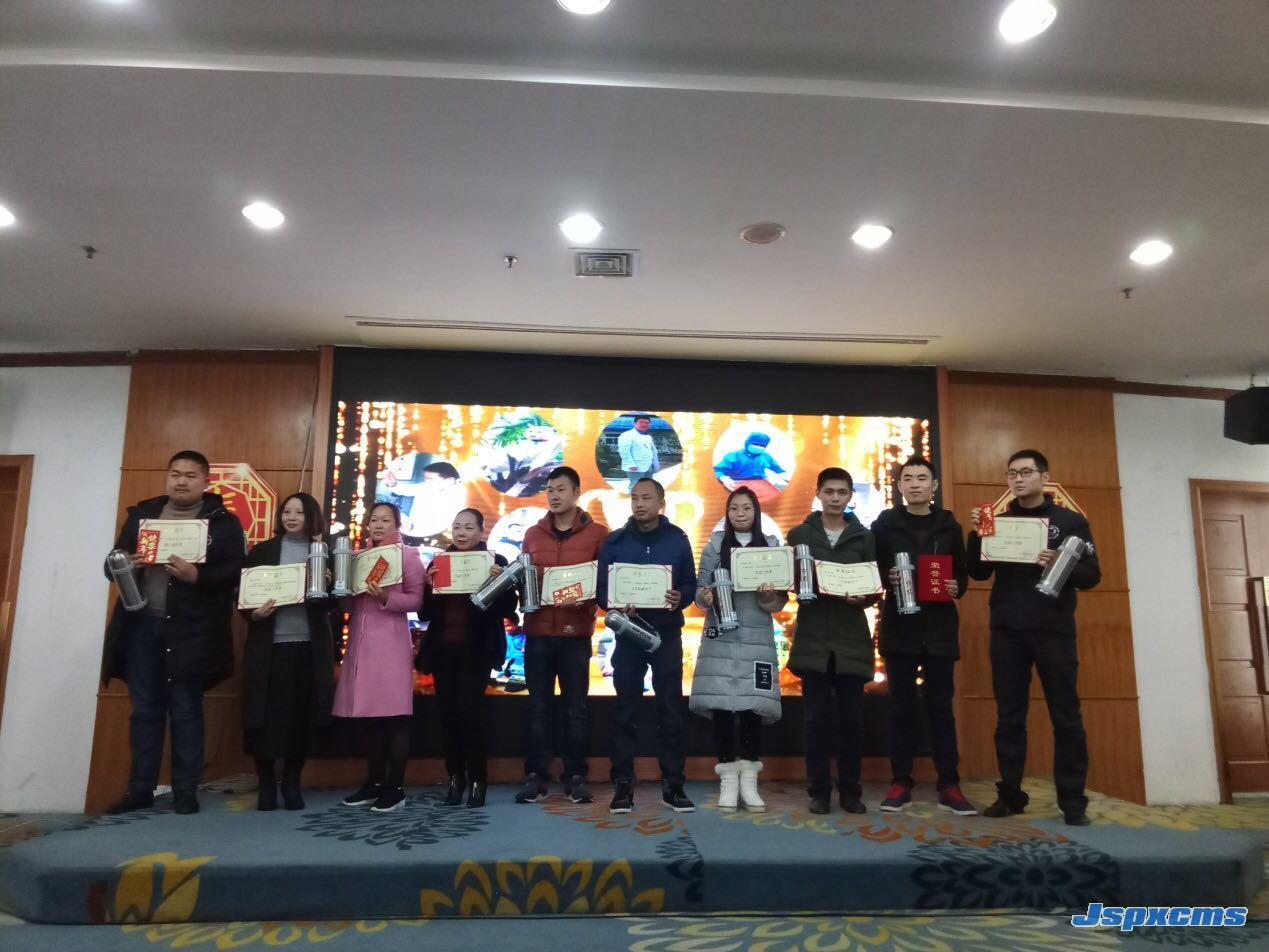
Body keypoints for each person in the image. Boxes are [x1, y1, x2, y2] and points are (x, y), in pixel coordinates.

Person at [100, 450, 246, 815]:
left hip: (192, 631)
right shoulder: (142, 515)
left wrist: (198, 576)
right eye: (175, 474)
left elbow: (237, 572)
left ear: (206, 481)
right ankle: (140, 790)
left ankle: (185, 791)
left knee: (185, 709)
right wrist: (124, 563)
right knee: (144, 710)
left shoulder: (224, 522)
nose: (181, 481)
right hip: (142, 627)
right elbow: (111, 563)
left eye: (190, 475)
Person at [969, 449, 1100, 826]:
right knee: (1009, 718)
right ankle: (1010, 794)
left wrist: (1060, 562)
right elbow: (978, 572)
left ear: (1044, 477)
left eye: (1026, 472)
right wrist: (977, 535)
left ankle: (1072, 800)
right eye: (1012, 473)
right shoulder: (998, 521)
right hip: (1007, 630)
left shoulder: (1070, 522)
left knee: (1067, 717)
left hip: (1053, 631)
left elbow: (1092, 576)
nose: (1018, 479)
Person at [870, 457, 975, 816]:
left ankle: (949, 784)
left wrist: (956, 585)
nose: (915, 484)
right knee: (900, 709)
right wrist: (886, 578)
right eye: (908, 478)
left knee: (941, 709)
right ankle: (901, 781)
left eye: (922, 478)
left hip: (939, 628)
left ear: (934, 486)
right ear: (899, 486)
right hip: (900, 627)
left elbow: (962, 572)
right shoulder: (884, 525)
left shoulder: (949, 526)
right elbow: (872, 569)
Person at [597, 477, 698, 814]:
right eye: (635, 498)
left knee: (670, 709)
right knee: (625, 709)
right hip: (628, 635)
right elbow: (602, 593)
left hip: (667, 634)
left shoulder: (678, 540)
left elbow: (689, 583)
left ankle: (674, 784)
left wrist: (680, 597)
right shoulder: (615, 541)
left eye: (646, 498)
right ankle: (623, 784)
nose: (639, 504)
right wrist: (616, 603)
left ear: (661, 504)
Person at [515, 466, 608, 804]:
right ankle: (535, 776)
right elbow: (522, 579)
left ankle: (576, 776)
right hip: (538, 632)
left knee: (575, 709)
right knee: (537, 708)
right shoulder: (532, 533)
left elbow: (605, 584)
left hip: (575, 634)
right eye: (550, 490)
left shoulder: (599, 534)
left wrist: (588, 599)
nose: (554, 496)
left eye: (561, 489)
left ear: (577, 493)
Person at [786, 467, 876, 815]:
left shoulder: (864, 537)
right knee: (816, 721)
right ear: (818, 494)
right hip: (814, 637)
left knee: (853, 721)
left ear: (851, 496)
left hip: (851, 637)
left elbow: (874, 586)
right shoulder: (799, 534)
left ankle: (851, 791)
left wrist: (864, 598)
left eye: (842, 492)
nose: (836, 498)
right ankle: (819, 791)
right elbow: (790, 579)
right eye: (829, 492)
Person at [690, 486, 786, 811]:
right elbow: (699, 593)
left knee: (752, 709)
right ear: (727, 513)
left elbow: (779, 602)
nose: (740, 513)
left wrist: (767, 596)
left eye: (746, 508)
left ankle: (749, 781)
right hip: (720, 637)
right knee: (720, 708)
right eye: (734, 508)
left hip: (757, 638)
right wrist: (706, 597)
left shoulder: (771, 547)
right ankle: (728, 782)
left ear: (756, 512)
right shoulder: (714, 546)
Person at [240, 493, 336, 812]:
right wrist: (254, 614)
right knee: (264, 718)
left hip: (309, 648)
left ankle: (292, 783)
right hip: (269, 648)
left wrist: (327, 586)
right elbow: (244, 597)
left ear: (312, 517)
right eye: (287, 512)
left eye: (299, 512)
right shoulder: (263, 551)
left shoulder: (323, 552)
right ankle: (267, 785)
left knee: (301, 717)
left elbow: (336, 604)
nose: (291, 517)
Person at [418, 508, 516, 808]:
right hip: (443, 651)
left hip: (477, 652)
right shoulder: (439, 562)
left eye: (468, 527)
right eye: (457, 526)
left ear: (481, 531)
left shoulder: (495, 562)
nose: (461, 532)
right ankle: (454, 777)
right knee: (448, 716)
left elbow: (507, 609)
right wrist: (428, 586)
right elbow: (425, 613)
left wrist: (500, 584)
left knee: (471, 715)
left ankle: (477, 778)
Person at [333, 501, 425, 813]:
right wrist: (339, 588)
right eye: (374, 520)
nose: (378, 525)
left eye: (386, 520)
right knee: (368, 719)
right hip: (360, 645)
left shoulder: (407, 555)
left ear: (397, 525)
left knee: (394, 718)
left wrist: (386, 596)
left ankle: (395, 787)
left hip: (390, 644)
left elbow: (416, 600)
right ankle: (373, 782)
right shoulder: (357, 558)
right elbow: (347, 604)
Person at [713, 432, 788, 501]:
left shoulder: (766, 456)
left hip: (761, 483)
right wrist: (724, 478)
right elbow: (718, 470)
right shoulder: (733, 455)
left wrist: (784, 475)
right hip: (737, 483)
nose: (758, 447)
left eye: (762, 446)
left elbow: (777, 468)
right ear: (747, 443)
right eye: (755, 444)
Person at [617, 415, 659, 491]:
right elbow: (624, 451)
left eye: (646, 423)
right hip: (635, 467)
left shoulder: (647, 437)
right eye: (641, 422)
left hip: (648, 466)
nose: (644, 424)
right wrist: (630, 464)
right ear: (634, 423)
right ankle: (633, 498)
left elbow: (652, 451)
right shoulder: (627, 435)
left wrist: (654, 464)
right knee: (635, 486)